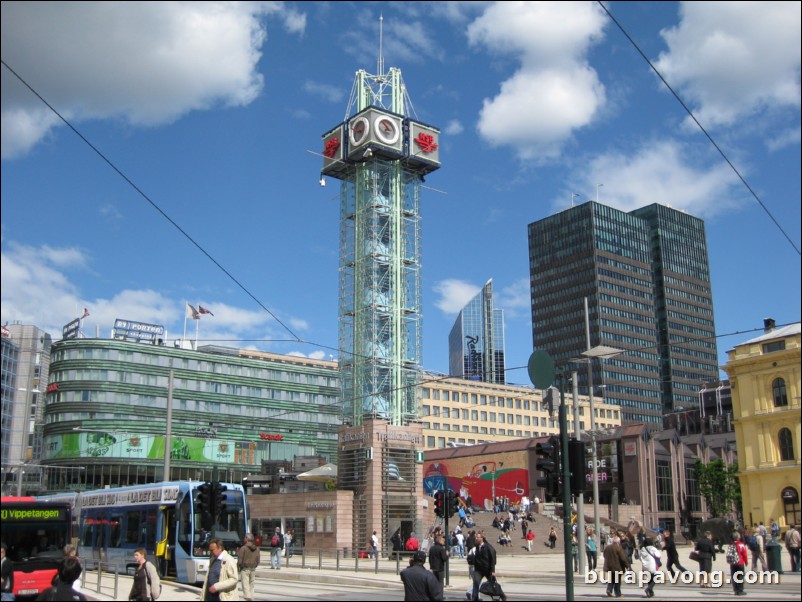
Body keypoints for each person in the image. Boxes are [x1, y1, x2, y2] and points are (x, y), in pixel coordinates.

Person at [470, 533, 505, 602]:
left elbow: (493, 558)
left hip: (488, 569)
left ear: (482, 538)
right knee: (476, 583)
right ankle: (474, 599)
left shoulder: (488, 547)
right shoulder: (477, 546)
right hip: (479, 570)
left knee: (492, 585)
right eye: (476, 537)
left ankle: (501, 596)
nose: (476, 538)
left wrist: (493, 570)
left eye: (478, 537)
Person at [237, 534, 260, 602]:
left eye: (245, 537)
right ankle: (251, 596)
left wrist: (239, 566)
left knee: (245, 584)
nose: (244, 539)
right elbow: (258, 560)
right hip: (253, 568)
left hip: (245, 568)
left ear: (247, 539)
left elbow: (240, 559)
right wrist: (255, 565)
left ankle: (247, 597)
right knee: (251, 584)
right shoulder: (257, 548)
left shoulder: (243, 548)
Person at [729, 532, 749, 596]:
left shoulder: (731, 544)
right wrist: (746, 562)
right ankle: (740, 590)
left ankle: (735, 589)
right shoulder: (741, 544)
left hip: (733, 563)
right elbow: (744, 554)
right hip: (740, 562)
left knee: (734, 576)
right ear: (738, 537)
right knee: (740, 576)